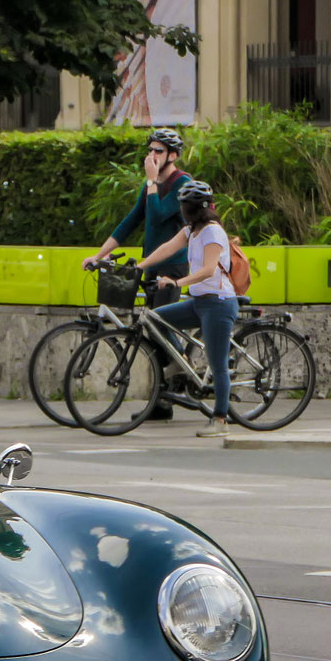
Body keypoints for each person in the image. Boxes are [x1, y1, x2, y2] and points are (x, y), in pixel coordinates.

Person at [138, 179, 239, 438]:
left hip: (218, 303)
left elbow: (208, 269)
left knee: (217, 365)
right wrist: (139, 266)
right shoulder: (191, 230)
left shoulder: (213, 232)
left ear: (198, 208)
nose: (185, 211)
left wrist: (176, 282)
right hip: (198, 302)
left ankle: (220, 419)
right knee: (155, 320)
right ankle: (182, 361)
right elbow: (167, 248)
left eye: (188, 207)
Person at [83, 128, 191, 307]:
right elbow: (131, 221)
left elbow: (158, 215)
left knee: (161, 323)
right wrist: (99, 255)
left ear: (173, 156)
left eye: (158, 151)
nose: (151, 155)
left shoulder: (182, 183)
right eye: (150, 150)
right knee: (148, 325)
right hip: (151, 262)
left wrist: (151, 180)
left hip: (172, 265)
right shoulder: (151, 185)